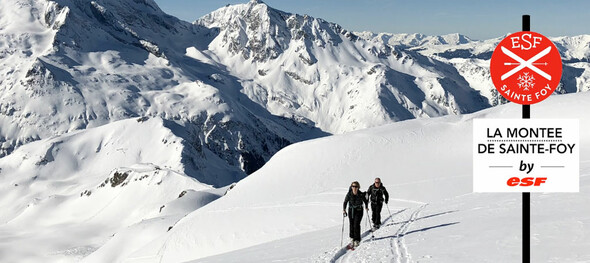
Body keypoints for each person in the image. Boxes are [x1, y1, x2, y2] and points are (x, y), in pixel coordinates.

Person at [343, 181, 368, 248]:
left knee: (356, 224)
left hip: (359, 210)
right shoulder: (349, 194)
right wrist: (344, 209)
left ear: (358, 187)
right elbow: (345, 202)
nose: (354, 188)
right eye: (353, 186)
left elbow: (365, 201)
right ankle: (352, 238)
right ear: (351, 187)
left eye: (356, 186)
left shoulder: (360, 194)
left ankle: (357, 239)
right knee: (351, 224)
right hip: (351, 210)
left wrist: (366, 207)